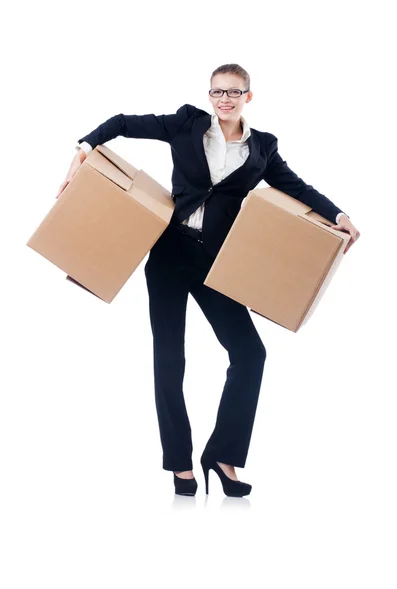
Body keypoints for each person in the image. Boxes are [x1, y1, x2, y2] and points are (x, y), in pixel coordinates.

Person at [56, 63, 360, 497]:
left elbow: (299, 188)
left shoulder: (263, 149)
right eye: (217, 91)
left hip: (217, 263)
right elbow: (123, 123)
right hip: (168, 254)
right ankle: (180, 465)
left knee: (250, 354)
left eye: (234, 93)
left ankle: (221, 456)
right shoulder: (186, 123)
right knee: (170, 360)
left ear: (248, 97)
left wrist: (340, 215)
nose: (224, 99)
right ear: (209, 95)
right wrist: (84, 148)